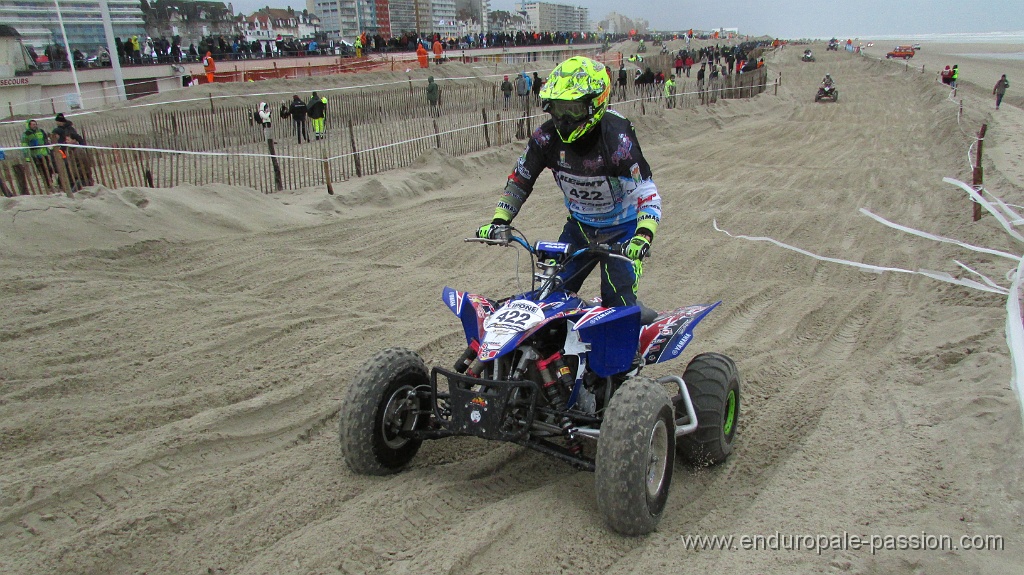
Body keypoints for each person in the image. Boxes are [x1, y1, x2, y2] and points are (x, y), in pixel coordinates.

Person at [475, 56, 661, 309]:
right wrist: (499, 220)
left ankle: (630, 348)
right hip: (580, 227)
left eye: (572, 109)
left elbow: (646, 189)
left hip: (623, 230)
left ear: (595, 103)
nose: (563, 118)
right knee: (550, 296)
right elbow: (520, 180)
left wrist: (643, 235)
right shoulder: (546, 137)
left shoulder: (617, 138)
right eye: (558, 108)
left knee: (617, 300)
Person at [21, 119, 54, 184]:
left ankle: (50, 180)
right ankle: (47, 183)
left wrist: (49, 148)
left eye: (35, 124)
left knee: (49, 168)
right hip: (36, 155)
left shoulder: (41, 131)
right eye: (33, 124)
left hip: (44, 153)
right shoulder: (26, 134)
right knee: (42, 170)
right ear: (29, 125)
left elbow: (46, 140)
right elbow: (24, 145)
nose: (35, 126)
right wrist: (27, 157)